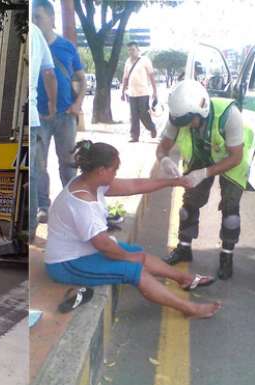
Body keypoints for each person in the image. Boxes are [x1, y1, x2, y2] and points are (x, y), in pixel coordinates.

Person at [44, 140, 222, 318]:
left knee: (140, 254)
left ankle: (184, 279)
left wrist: (173, 182)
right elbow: (104, 245)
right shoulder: (83, 204)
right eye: (114, 169)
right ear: (101, 170)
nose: (116, 173)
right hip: (67, 263)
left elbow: (134, 185)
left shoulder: (91, 181)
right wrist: (129, 258)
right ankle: (189, 309)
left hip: (84, 250)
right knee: (135, 270)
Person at [157, 80, 253, 280]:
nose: (185, 126)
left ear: (201, 111)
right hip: (201, 157)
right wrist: (164, 160)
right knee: (188, 205)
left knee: (231, 211)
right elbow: (162, 147)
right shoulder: (179, 116)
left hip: (232, 160)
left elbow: (235, 157)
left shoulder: (229, 115)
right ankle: (184, 248)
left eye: (188, 122)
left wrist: (204, 173)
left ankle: (227, 256)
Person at [33, 0, 86, 225]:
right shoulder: (33, 45)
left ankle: (69, 203)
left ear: (51, 18)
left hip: (65, 116)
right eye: (32, 18)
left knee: (67, 162)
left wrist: (77, 104)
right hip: (39, 118)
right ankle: (43, 207)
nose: (34, 22)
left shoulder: (67, 47)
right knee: (39, 165)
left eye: (38, 17)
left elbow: (81, 79)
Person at [29, 21, 57, 243]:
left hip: (30, 117)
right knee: (34, 174)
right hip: (33, 117)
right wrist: (52, 105)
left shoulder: (34, 31)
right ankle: (30, 231)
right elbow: (49, 72)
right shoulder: (36, 32)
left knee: (34, 174)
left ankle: (31, 231)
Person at [121, 41, 158, 143]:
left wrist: (155, 91)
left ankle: (151, 127)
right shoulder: (127, 62)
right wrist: (123, 91)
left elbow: (151, 76)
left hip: (143, 93)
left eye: (133, 49)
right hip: (132, 93)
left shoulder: (145, 60)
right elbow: (125, 77)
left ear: (138, 50)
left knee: (143, 114)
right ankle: (134, 136)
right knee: (133, 116)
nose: (131, 52)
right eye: (129, 50)